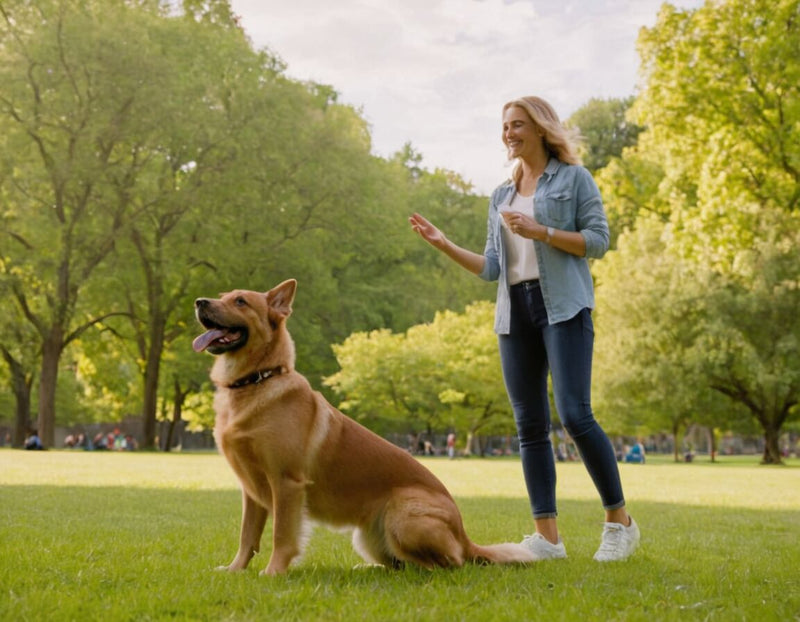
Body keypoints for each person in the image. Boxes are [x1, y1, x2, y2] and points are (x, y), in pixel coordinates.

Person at [409, 96, 640, 562]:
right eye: (504, 126)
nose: (508, 133)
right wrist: (443, 244)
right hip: (515, 312)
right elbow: (493, 267)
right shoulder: (501, 194)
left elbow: (597, 241)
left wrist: (542, 233)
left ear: (539, 128)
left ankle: (620, 523)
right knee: (530, 426)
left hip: (564, 307)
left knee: (575, 415)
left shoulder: (574, 179)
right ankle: (547, 538)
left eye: (517, 125)